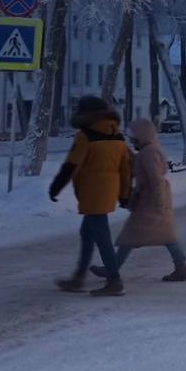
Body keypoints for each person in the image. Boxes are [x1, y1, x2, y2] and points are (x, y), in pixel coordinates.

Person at [88, 117, 186, 282]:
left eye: (133, 137)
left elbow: (155, 178)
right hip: (152, 200)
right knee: (166, 235)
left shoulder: (149, 152)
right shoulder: (148, 149)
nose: (132, 140)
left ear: (142, 136)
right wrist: (127, 152)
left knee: (130, 236)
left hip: (151, 201)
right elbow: (140, 165)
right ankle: (181, 268)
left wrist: (158, 203)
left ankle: (111, 268)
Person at [50, 96, 131, 297]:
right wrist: (124, 195)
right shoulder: (118, 137)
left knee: (102, 237)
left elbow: (71, 165)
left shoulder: (85, 137)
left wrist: (56, 187)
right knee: (87, 234)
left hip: (92, 193)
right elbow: (126, 169)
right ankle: (78, 278)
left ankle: (114, 280)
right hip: (108, 192)